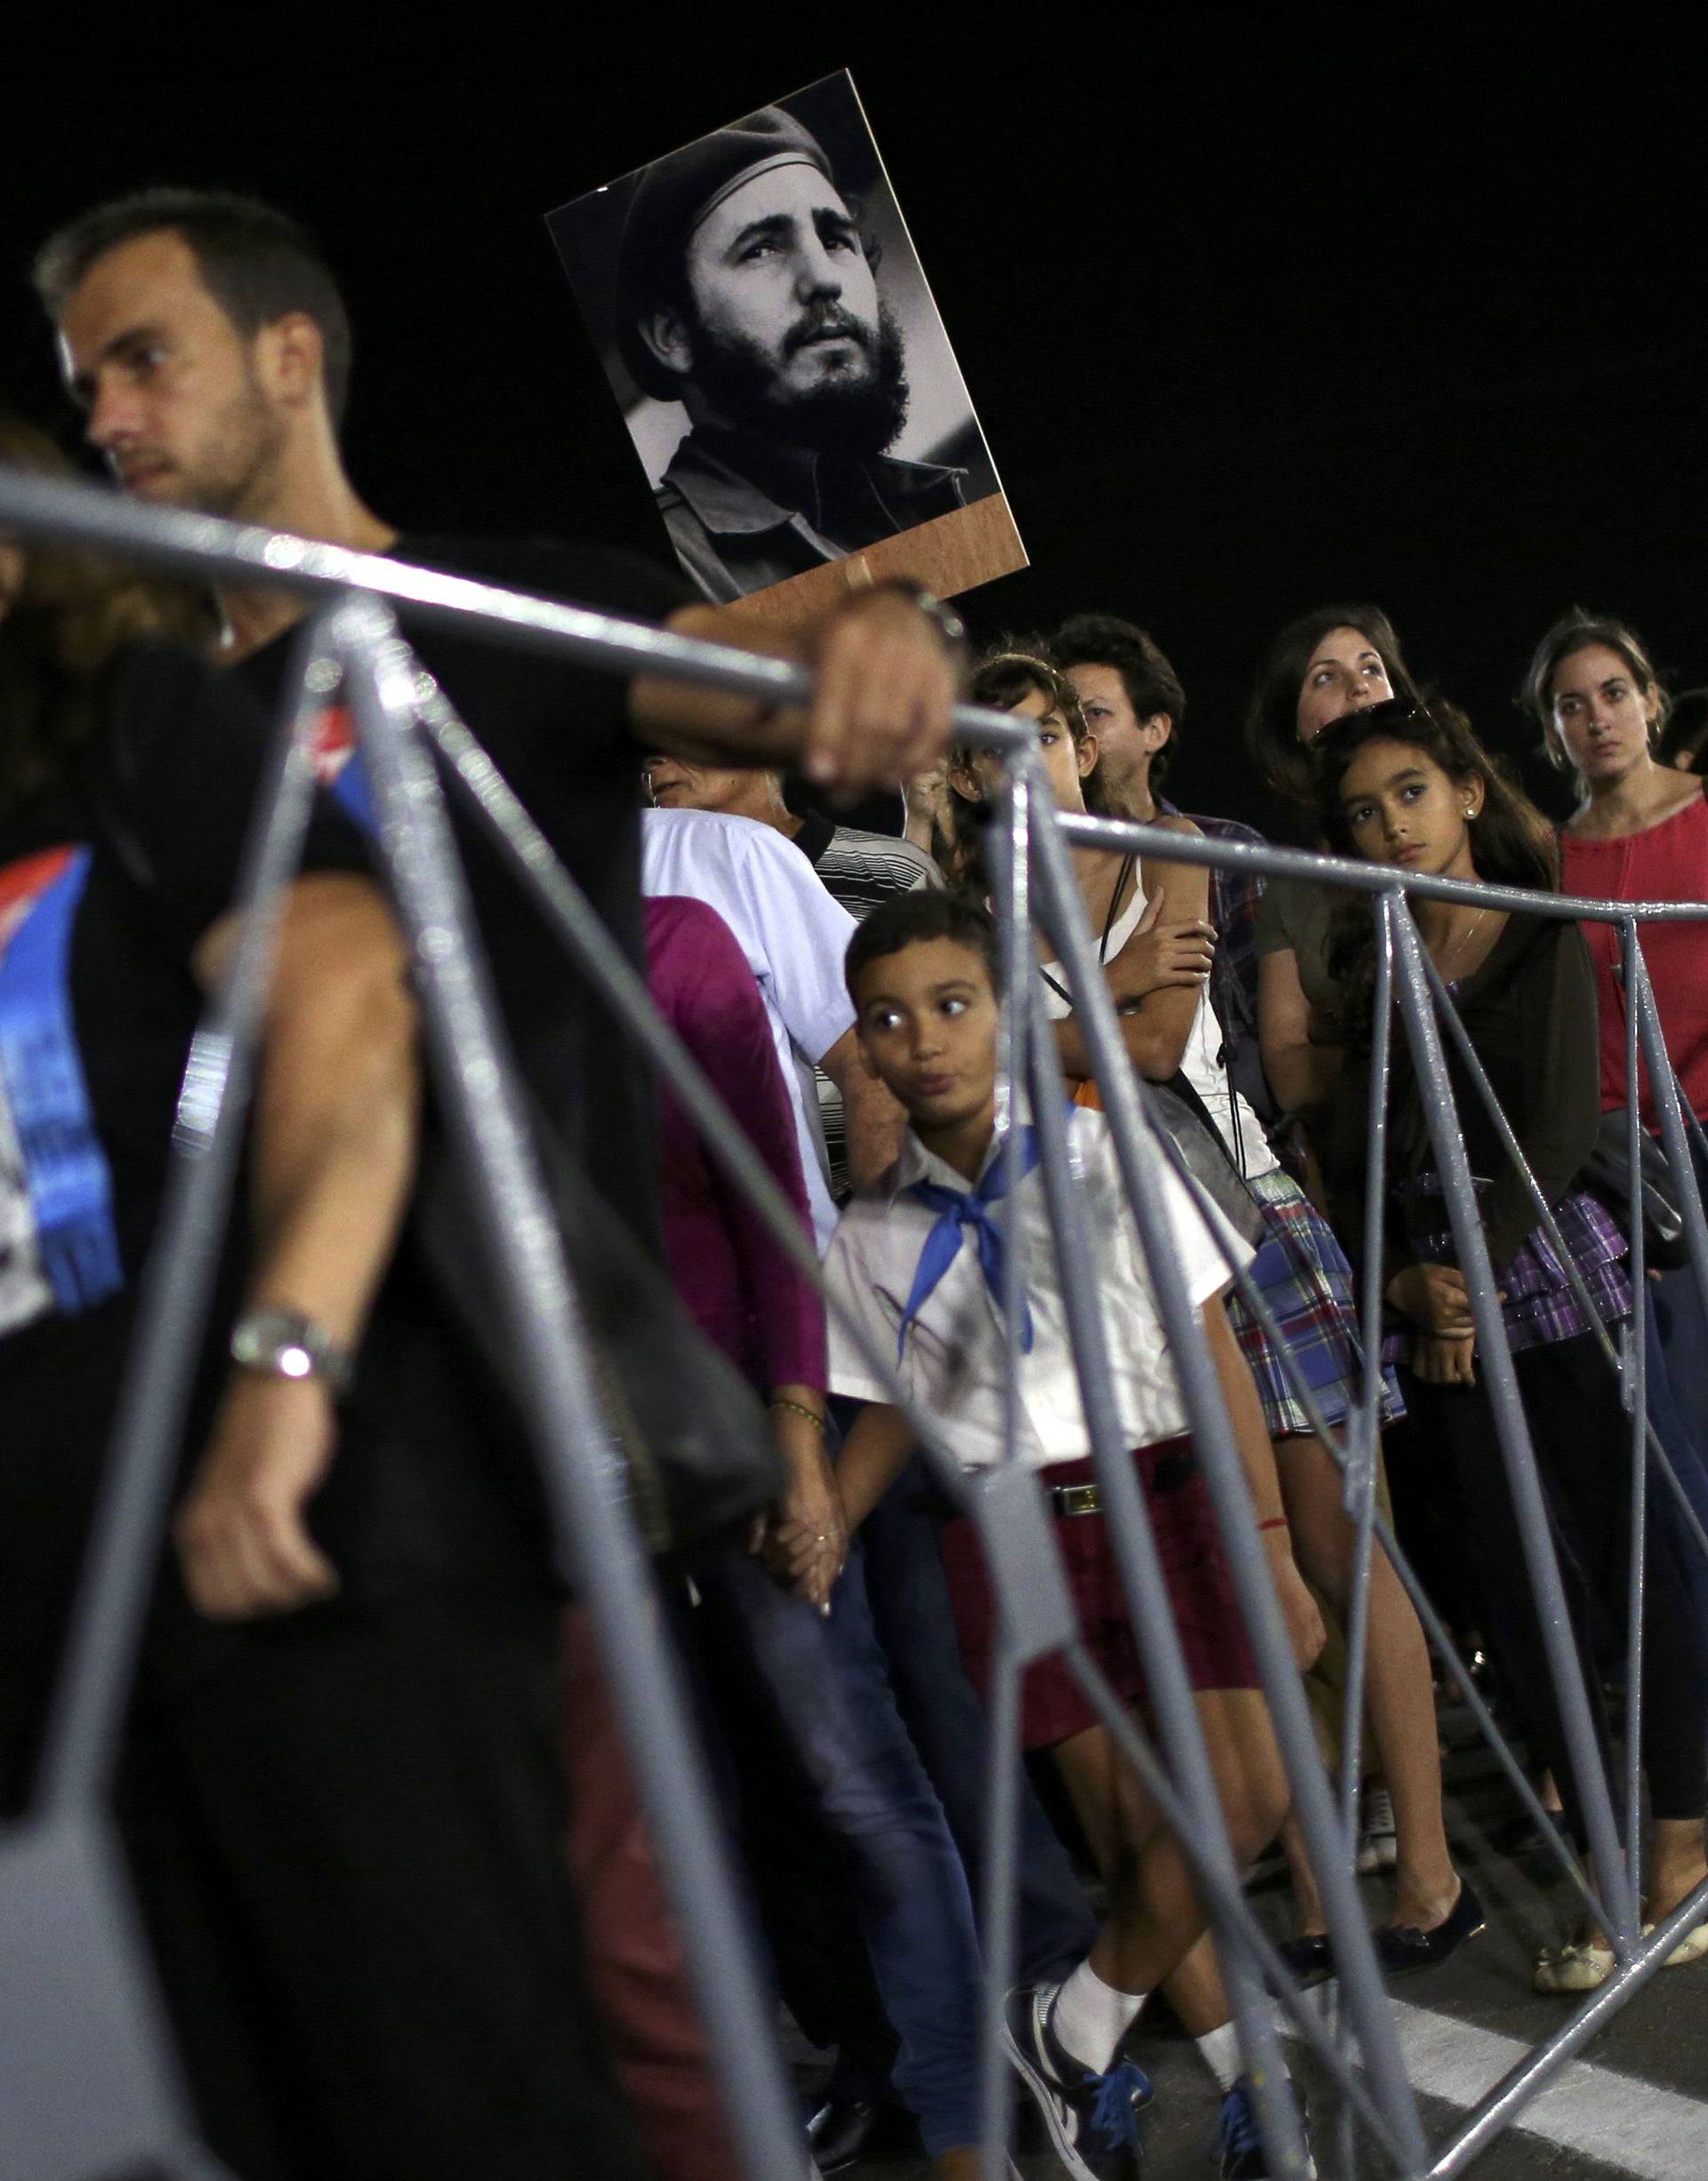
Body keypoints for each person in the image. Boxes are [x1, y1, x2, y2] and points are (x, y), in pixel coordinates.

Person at [0, 414, 644, 2180]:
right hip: (50, 1648)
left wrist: (288, 1364)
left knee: (456, 2109)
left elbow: (353, 997)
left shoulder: (134, 740)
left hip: (285, 1550)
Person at [950, 651, 1467, 1992]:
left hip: (1249, 1219)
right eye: (995, 744)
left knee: (1349, 1552)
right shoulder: (973, 912)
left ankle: (1430, 1870)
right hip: (1118, 1252)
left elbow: (1171, 1041)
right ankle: (1313, 1893)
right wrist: (1064, 1027)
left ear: (1081, 750)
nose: (1033, 761)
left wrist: (1038, 1030)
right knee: (1243, 1574)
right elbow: (999, 1069)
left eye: (1052, 734)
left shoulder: (1157, 851)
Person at [822, 887, 1303, 2181]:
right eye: (889, 1018)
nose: (924, 1038)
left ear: (1004, 1014)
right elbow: (886, 1411)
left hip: (1168, 1492)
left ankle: (1069, 2031)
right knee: (1143, 1831)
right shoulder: (870, 1236)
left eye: (953, 1004)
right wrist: (820, 1527)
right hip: (1016, 1530)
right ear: (862, 1048)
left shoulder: (1103, 1151)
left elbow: (1209, 1344)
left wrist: (1269, 1535)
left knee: (1244, 1801)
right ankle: (1242, 2087)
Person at [1315, 696, 1708, 1992]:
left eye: (1412, 793)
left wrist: (1461, 1284)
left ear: (1470, 792)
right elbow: (1357, 1150)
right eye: (1364, 812)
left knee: (1640, 1562)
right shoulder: (1372, 967)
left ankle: (1679, 1839)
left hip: (1554, 1287)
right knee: (1524, 1598)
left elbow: (1545, 1124)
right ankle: (1601, 1841)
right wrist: (1410, 1287)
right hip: (1447, 1315)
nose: (1392, 825)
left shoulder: (1545, 934)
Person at [615, 104, 967, 602]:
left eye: (835, 239)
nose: (824, 278)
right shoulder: (667, 576)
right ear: (673, 335)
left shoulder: (941, 500)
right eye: (761, 249)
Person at [1525, 612, 1708, 1449]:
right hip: (1620, 1167)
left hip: (1705, 1120)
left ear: (1651, 700)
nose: (1596, 717)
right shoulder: (1547, 859)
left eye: (1613, 693)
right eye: (1570, 705)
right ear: (1553, 732)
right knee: (1679, 1404)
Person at [643, 751, 939, 1195]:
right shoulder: (601, 863)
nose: (654, 758)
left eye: (677, 725)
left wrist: (882, 1232)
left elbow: (880, 1057)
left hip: (814, 1221)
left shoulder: (891, 871)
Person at [1051, 613, 1273, 1130]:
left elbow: (1266, 1031)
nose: (1077, 736)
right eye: (1062, 722)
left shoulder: (1227, 851)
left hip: (1218, 1140)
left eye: (1096, 714)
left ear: (1155, 729)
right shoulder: (1025, 885)